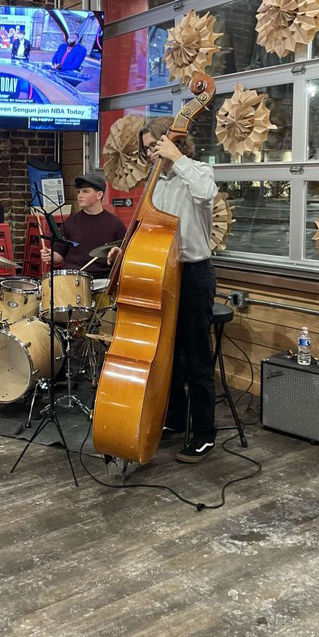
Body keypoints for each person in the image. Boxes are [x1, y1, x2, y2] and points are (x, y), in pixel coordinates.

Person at [108, 116, 217, 463]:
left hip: (194, 274)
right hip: (161, 275)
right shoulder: (155, 183)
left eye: (153, 146)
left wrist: (178, 159)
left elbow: (205, 193)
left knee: (196, 356)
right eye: (146, 149)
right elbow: (150, 230)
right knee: (164, 353)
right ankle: (174, 417)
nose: (149, 154)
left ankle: (204, 434)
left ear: (172, 142)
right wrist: (124, 249)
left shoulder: (197, 171)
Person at [40, 171, 126, 280]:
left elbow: (125, 257)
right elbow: (59, 256)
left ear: (99, 195)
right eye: (79, 192)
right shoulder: (70, 222)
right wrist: (50, 255)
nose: (80, 195)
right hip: (73, 279)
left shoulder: (115, 224)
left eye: (85, 191)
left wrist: (118, 254)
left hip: (102, 280)